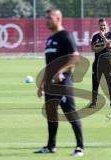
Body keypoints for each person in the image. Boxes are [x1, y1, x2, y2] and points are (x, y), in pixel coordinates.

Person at [35, 8, 84, 157]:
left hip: (63, 82)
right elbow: (49, 64)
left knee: (70, 114)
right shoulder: (50, 39)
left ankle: (80, 147)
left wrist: (61, 72)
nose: (46, 20)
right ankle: (51, 146)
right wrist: (43, 83)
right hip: (50, 84)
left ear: (58, 18)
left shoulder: (65, 35)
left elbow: (75, 58)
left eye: (49, 17)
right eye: (46, 18)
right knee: (51, 115)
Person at [89, 18, 111, 109]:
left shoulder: (110, 35)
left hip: (108, 63)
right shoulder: (95, 36)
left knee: (110, 83)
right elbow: (93, 49)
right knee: (95, 83)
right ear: (98, 25)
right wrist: (103, 46)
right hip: (97, 63)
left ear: (107, 25)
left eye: (104, 25)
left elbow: (110, 45)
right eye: (101, 25)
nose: (103, 27)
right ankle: (93, 103)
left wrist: (104, 38)